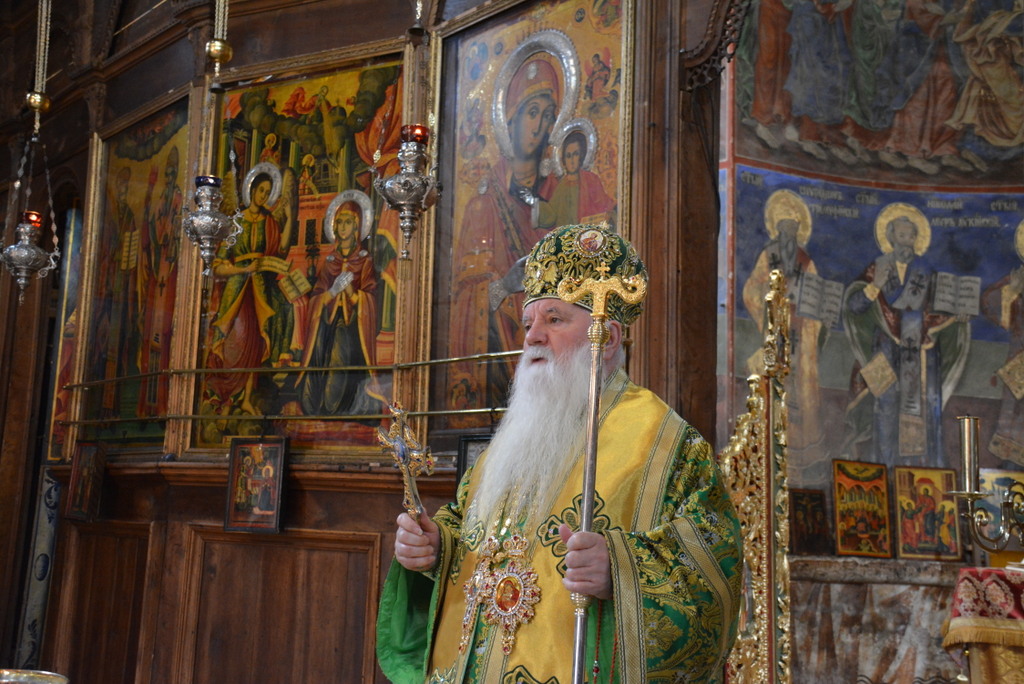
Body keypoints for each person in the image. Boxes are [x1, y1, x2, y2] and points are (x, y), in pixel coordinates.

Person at [378, 224, 743, 683]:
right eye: (528, 323)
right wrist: (436, 548)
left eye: (554, 320)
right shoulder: (512, 440)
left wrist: (622, 570)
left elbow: (714, 577)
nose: (532, 337)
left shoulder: (666, 445)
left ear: (607, 338)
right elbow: (474, 538)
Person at [449, 55, 563, 416]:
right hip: (501, 361)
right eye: (532, 112)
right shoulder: (482, 205)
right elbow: (464, 299)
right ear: (510, 117)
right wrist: (504, 286)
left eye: (548, 116)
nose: (539, 126)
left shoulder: (560, 198)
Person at [842, 204, 969, 467]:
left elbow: (939, 309)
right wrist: (875, 286)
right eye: (901, 236)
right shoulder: (877, 268)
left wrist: (957, 315)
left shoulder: (926, 271)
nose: (906, 242)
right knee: (885, 405)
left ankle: (920, 470)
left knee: (924, 407)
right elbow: (854, 306)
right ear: (890, 238)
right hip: (884, 349)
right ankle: (886, 470)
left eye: (911, 236)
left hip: (921, 352)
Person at [299, 201, 382, 416]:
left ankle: (335, 407)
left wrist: (352, 294)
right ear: (334, 227)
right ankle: (315, 404)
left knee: (340, 352)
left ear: (357, 227)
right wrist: (333, 291)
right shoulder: (329, 262)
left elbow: (371, 299)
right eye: (340, 222)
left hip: (352, 324)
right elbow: (317, 298)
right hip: (326, 322)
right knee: (320, 353)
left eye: (348, 222)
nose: (343, 227)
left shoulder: (365, 261)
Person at [538, 129, 616, 229]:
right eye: (568, 156)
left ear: (581, 155)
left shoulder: (591, 179)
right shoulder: (561, 186)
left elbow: (605, 205)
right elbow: (551, 215)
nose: (572, 160)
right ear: (564, 160)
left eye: (575, 154)